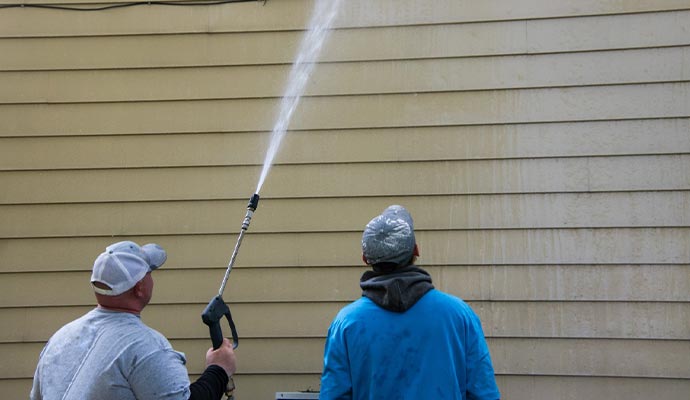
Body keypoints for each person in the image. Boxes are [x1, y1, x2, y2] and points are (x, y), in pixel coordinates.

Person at [319, 205, 501, 400]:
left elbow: (334, 395)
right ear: (416, 250)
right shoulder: (459, 315)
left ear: (365, 258)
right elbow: (484, 393)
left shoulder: (346, 323)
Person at [30, 241, 237, 400]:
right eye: (149, 272)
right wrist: (219, 369)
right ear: (139, 287)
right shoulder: (146, 347)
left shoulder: (60, 338)